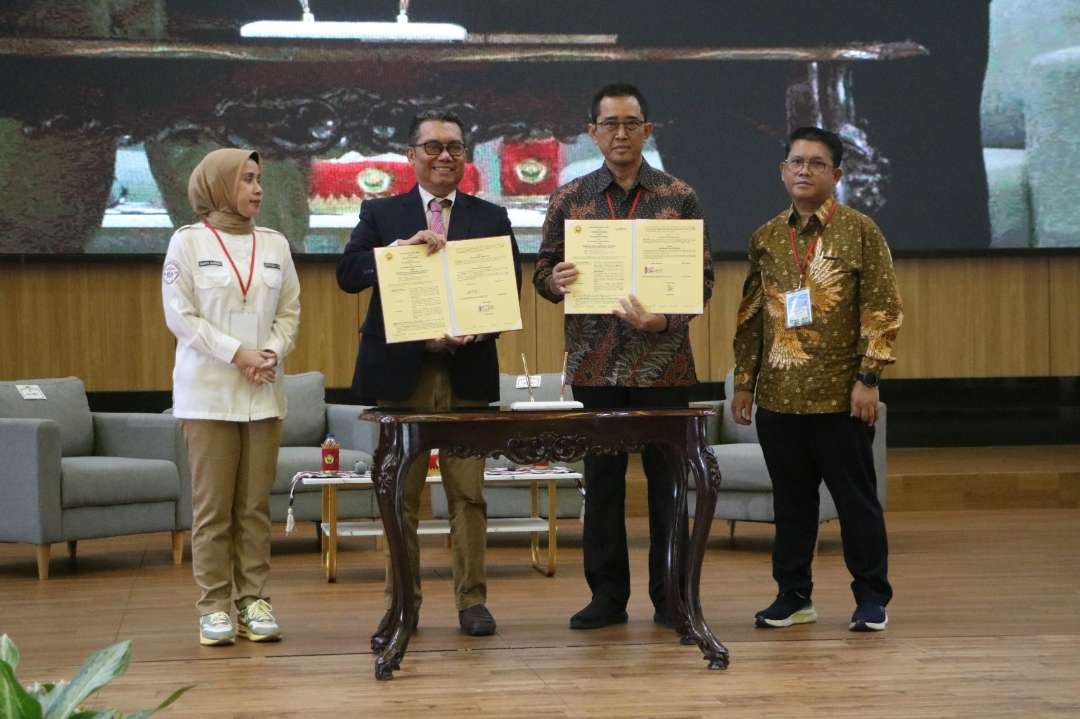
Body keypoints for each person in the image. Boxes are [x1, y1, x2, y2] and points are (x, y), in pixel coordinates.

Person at [533, 83, 714, 630]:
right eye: (608, 124)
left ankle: (672, 599)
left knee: (669, 486)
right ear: (591, 132)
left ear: (647, 130)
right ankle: (607, 598)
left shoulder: (678, 196)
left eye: (631, 123)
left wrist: (663, 320)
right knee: (604, 486)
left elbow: (701, 279)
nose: (620, 133)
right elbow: (542, 271)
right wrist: (555, 280)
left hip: (664, 365)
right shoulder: (570, 198)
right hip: (595, 364)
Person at [337, 109, 522, 637]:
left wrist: (479, 330)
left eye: (455, 147)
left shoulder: (490, 217)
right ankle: (403, 605)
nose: (445, 156)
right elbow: (348, 275)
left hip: (467, 371)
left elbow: (504, 291)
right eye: (434, 146)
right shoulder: (381, 213)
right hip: (401, 373)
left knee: (469, 494)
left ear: (466, 156)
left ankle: (472, 602)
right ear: (412, 154)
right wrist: (391, 256)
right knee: (401, 495)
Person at [731, 126, 902, 632]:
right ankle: (793, 596)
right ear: (783, 171)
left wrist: (869, 377)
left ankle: (871, 598)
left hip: (841, 400)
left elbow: (883, 308)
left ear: (837, 174)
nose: (804, 171)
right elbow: (751, 315)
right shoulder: (765, 237)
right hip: (779, 401)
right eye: (796, 162)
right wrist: (745, 382)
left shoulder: (860, 230)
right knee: (792, 505)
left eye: (817, 163)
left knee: (856, 504)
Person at [162, 148, 301, 646]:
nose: (257, 188)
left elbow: (290, 313)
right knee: (213, 508)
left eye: (260, 178)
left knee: (253, 507)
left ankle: (254, 599)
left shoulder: (276, 244)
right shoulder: (187, 242)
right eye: (246, 179)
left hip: (263, 392)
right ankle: (214, 605)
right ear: (219, 186)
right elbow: (181, 317)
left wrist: (269, 351)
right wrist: (237, 353)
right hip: (208, 395)